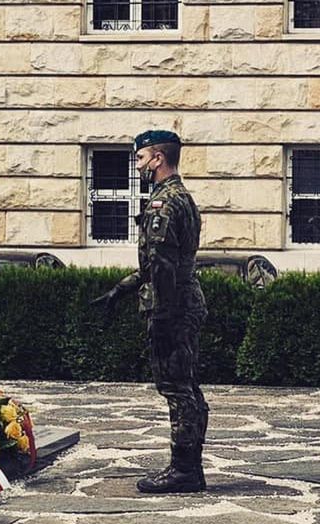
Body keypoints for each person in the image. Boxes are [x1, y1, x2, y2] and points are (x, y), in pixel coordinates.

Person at [91, 130, 209, 494]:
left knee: (176, 388)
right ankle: (188, 466)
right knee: (186, 385)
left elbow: (161, 265)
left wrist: (161, 312)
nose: (138, 166)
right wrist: (122, 289)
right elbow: (163, 261)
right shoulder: (182, 198)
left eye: (141, 159)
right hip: (185, 301)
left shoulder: (163, 203)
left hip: (171, 306)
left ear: (157, 158)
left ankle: (184, 470)